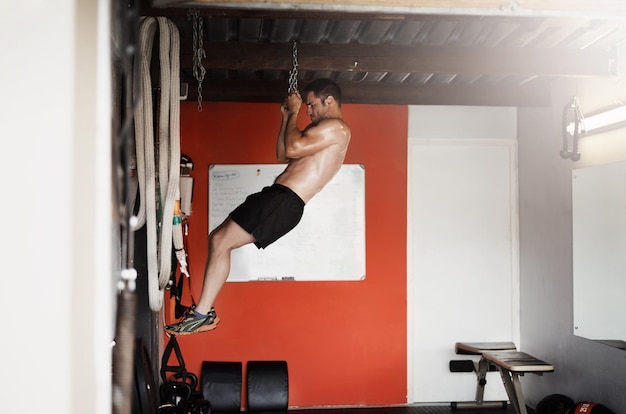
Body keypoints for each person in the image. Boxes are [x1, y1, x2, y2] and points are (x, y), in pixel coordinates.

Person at [165, 78, 351, 336]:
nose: (308, 111)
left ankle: (202, 314)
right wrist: (287, 118)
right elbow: (284, 153)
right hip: (279, 197)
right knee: (218, 239)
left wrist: (295, 110)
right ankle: (202, 313)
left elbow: (294, 146)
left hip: (285, 200)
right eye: (306, 107)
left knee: (220, 241)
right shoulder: (322, 131)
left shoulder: (336, 128)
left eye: (311, 105)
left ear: (328, 101)